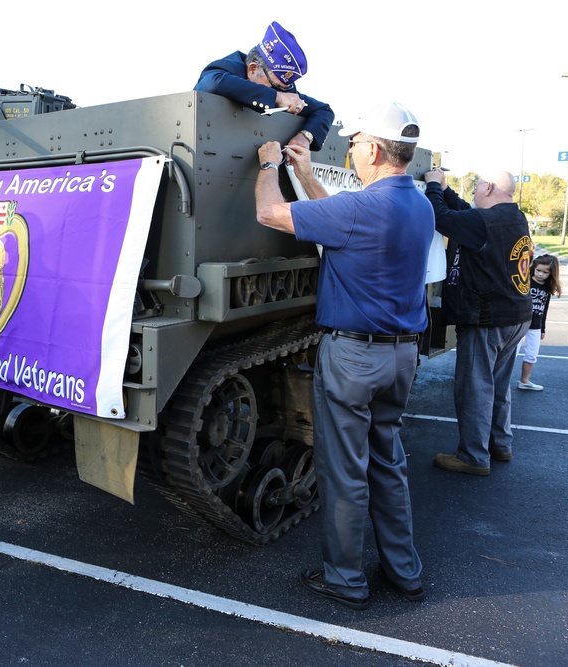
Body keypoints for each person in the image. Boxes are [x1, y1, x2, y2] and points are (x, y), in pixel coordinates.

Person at [253, 101, 433, 609]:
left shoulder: (362, 208)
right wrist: (306, 173)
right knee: (387, 462)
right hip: (400, 358)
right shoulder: (418, 204)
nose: (351, 149)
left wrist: (270, 165)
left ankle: (345, 580)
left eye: (354, 142)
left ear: (373, 149)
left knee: (344, 472)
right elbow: (338, 224)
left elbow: (269, 213)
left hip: (354, 358)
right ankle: (404, 571)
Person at [423, 168, 532, 475]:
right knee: (497, 385)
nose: (472, 190)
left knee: (474, 387)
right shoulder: (513, 217)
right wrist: (445, 190)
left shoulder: (483, 222)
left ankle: (472, 455)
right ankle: (500, 444)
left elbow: (441, 218)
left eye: (476, 185)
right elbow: (461, 212)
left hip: (487, 318)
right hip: (515, 315)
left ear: (489, 187)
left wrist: (432, 185)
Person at [194, 21, 335, 153]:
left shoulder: (283, 90)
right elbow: (212, 83)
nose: (282, 92)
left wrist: (305, 136)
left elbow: (324, 110)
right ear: (253, 69)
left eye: (284, 89)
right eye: (275, 86)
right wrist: (277, 97)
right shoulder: (228, 69)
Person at [517, 254, 561, 391]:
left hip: (535, 325)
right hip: (519, 322)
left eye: (545, 272)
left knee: (532, 353)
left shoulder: (547, 289)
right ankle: (501, 380)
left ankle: (524, 380)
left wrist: (543, 328)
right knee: (512, 352)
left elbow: (545, 309)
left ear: (551, 273)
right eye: (538, 270)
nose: (541, 274)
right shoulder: (526, 282)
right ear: (533, 268)